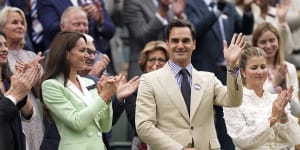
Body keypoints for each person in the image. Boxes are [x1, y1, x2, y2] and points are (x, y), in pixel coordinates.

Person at [135, 19, 244, 150]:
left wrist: (233, 67)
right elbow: (144, 126)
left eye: (186, 41)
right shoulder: (149, 80)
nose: (180, 45)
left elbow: (234, 100)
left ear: (194, 45)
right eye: (175, 41)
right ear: (167, 44)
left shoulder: (208, 79)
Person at [185, 1, 253, 149]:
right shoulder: (191, 4)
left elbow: (244, 29)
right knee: (201, 123)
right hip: (202, 72)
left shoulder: (228, 6)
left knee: (227, 123)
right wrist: (217, 10)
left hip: (227, 73)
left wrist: (247, 10)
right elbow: (193, 32)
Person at [40, 31, 117, 150]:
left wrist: (106, 99)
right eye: (82, 51)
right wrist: (103, 97)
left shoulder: (89, 82)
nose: (87, 55)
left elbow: (105, 127)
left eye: (87, 51)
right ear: (66, 54)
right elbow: (76, 122)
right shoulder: (51, 85)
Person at [224, 46, 300, 149]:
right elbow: (241, 140)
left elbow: (295, 139)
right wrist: (272, 119)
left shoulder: (275, 99)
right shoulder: (234, 102)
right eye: (254, 68)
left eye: (263, 67)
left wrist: (283, 116)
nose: (260, 72)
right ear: (243, 72)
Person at [0, 6, 44, 150]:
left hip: (29, 115)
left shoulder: (31, 56)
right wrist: (21, 78)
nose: (20, 26)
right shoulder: (4, 59)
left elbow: (40, 95)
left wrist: (34, 79)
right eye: (14, 22)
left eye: (22, 23)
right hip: (7, 122)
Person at [121, 40, 169, 150]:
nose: (156, 64)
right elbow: (138, 122)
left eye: (161, 60)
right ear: (145, 64)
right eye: (151, 60)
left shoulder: (177, 87)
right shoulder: (135, 89)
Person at [123, 0, 186, 79]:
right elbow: (141, 35)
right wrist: (161, 14)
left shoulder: (169, 3)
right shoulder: (133, 2)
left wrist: (179, 15)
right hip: (143, 70)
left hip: (169, 70)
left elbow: (191, 34)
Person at [252, 22, 300, 117]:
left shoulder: (289, 68)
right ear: (255, 45)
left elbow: (296, 111)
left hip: (287, 125)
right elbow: (254, 107)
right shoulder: (252, 70)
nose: (269, 46)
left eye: (272, 40)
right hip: (265, 125)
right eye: (263, 42)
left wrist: (287, 95)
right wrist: (274, 84)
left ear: (278, 41)